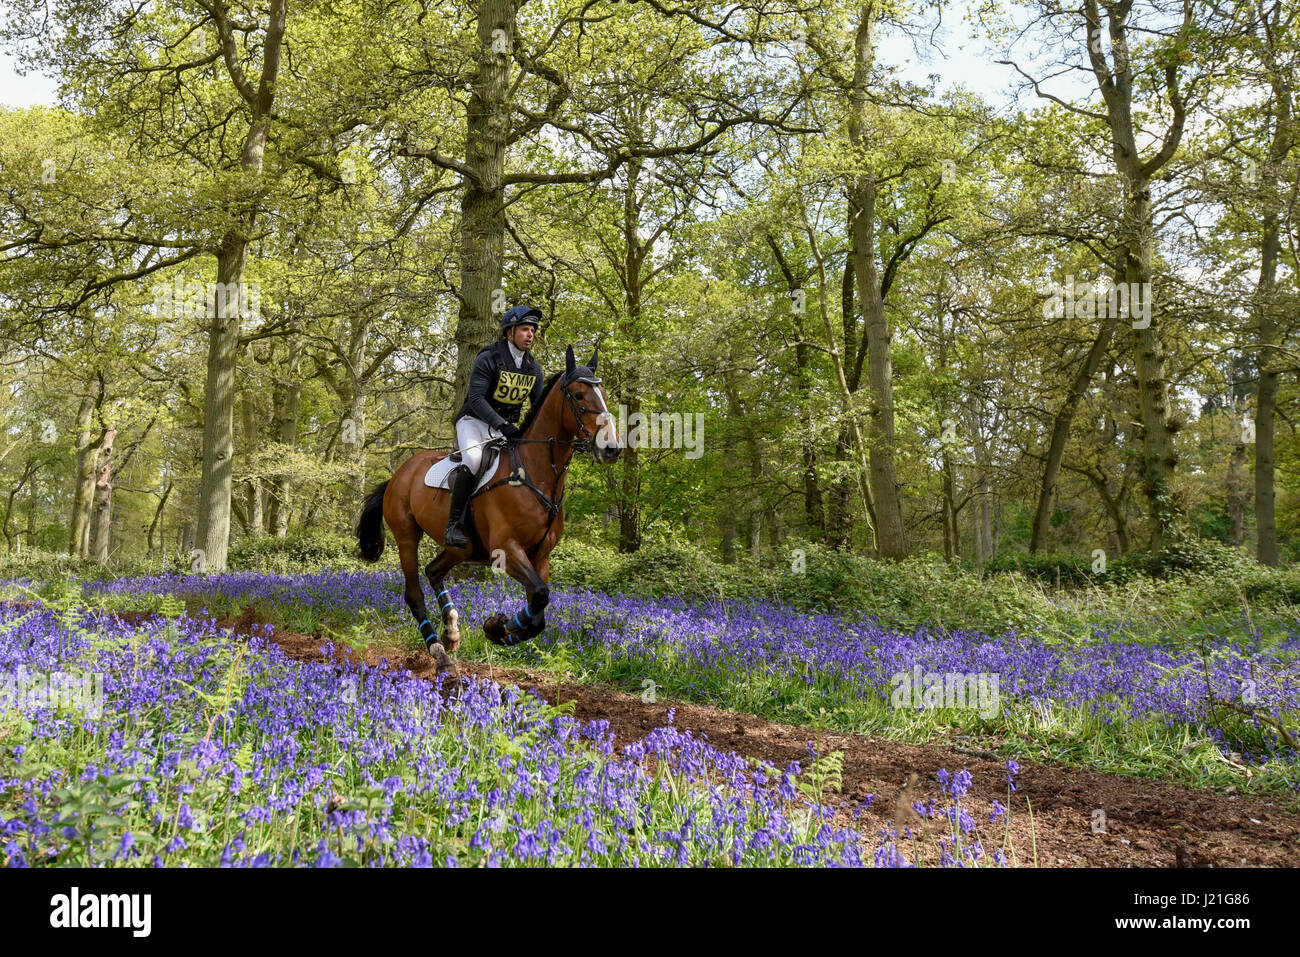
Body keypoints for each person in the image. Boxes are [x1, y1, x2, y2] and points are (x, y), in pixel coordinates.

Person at [443, 305, 546, 548]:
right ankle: (453, 525)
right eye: (524, 329)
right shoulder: (488, 357)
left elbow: (537, 408)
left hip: (503, 429)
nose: (530, 334)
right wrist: (503, 424)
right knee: (474, 460)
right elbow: (477, 399)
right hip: (473, 423)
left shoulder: (534, 368)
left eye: (532, 330)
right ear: (509, 332)